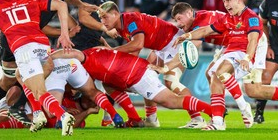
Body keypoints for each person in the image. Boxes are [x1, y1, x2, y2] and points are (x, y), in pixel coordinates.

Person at [173, 0, 278, 130]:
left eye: (228, 0)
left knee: (221, 74)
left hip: (253, 47)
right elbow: (206, 30)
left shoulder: (250, 17)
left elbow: (253, 40)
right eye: (224, 1)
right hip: (232, 46)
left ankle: (238, 109)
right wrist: (187, 36)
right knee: (245, 87)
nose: (226, 4)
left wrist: (247, 58)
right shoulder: (228, 18)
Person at [0, 0, 76, 136]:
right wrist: (64, 33)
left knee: (40, 91)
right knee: (19, 75)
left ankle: (64, 116)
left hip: (24, 50)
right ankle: (37, 114)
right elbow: (61, 5)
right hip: (43, 46)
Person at [98, 1, 206, 129]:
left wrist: (112, 52)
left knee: (171, 81)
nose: (103, 21)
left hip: (174, 42)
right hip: (160, 47)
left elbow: (137, 44)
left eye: (105, 17)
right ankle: (151, 119)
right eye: (101, 18)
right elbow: (134, 50)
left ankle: (197, 118)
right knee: (145, 77)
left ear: (115, 14)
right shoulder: (122, 26)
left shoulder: (130, 21)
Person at [53, 47, 212, 124]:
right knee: (108, 85)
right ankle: (135, 119)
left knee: (171, 101)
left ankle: (213, 111)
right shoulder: (97, 53)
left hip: (138, 75)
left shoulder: (85, 58)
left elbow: (73, 53)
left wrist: (51, 56)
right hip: (132, 73)